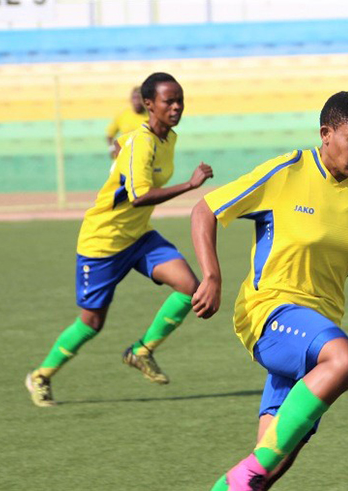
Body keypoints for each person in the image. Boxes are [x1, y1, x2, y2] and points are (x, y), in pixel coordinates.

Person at [189, 91, 348, 491]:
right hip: (269, 311)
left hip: (318, 329)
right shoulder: (287, 171)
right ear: (326, 133)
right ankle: (249, 469)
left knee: (265, 471)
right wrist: (211, 275)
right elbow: (206, 209)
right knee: (346, 361)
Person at [25, 72, 214, 407]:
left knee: (190, 287)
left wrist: (120, 149)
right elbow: (140, 195)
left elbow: (127, 157)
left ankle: (141, 352)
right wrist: (190, 184)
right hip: (103, 243)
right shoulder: (141, 141)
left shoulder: (167, 139)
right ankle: (40, 376)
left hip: (138, 237)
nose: (176, 107)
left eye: (179, 99)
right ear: (149, 104)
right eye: (168, 101)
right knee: (92, 323)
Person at [106, 86, 149, 159]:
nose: (137, 101)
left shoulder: (150, 117)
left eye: (139, 98)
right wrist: (112, 148)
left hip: (144, 157)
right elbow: (110, 134)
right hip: (124, 157)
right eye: (134, 98)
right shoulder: (123, 115)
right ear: (131, 100)